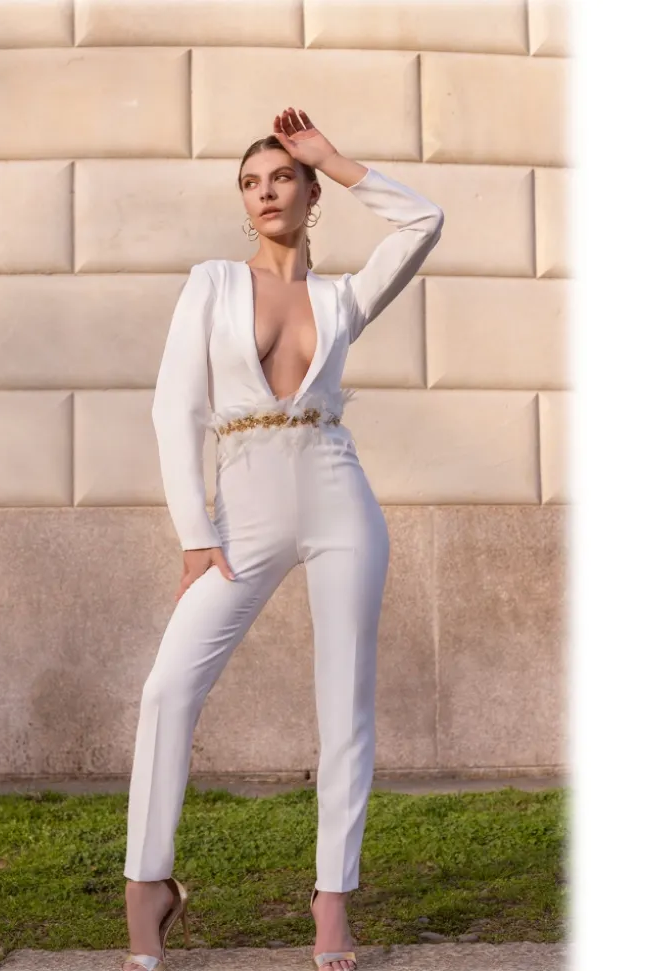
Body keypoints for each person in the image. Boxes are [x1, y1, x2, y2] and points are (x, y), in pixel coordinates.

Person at [121, 107, 445, 971]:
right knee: (167, 688)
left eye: (282, 178)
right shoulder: (213, 284)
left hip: (340, 497)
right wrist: (195, 533)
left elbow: (424, 221)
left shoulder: (343, 298)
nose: (266, 192)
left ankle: (332, 899)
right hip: (244, 509)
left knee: (346, 699)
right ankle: (148, 884)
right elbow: (174, 409)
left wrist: (333, 156)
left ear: (308, 194)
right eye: (251, 182)